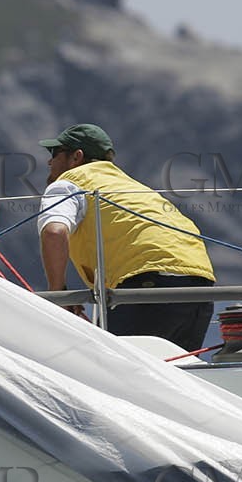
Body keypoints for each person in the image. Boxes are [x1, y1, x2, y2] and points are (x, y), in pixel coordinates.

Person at [37, 123, 217, 349]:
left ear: (76, 157)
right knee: (175, 375)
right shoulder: (129, 185)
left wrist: (58, 294)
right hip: (199, 284)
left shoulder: (70, 182)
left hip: (145, 285)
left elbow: (54, 232)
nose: (49, 162)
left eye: (54, 154)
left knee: (116, 374)